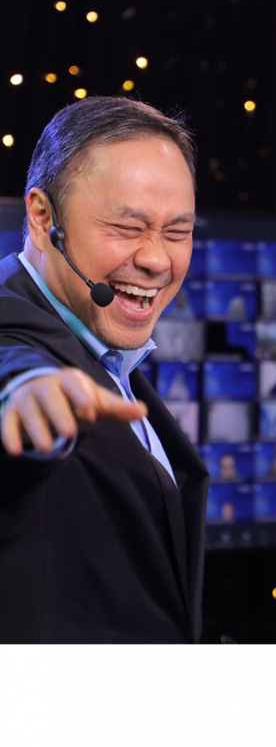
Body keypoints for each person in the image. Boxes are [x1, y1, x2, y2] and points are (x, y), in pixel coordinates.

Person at [0, 95, 210, 644]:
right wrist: (28, 392)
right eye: (127, 226)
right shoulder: (12, 331)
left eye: (177, 232)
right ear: (43, 218)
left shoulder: (105, 347)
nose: (157, 260)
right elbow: (13, 367)